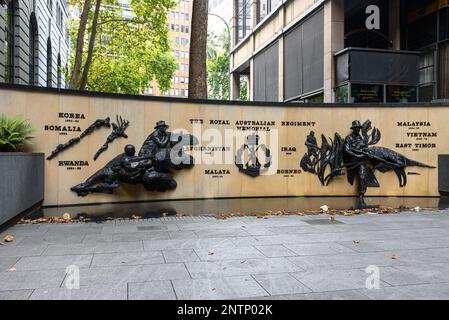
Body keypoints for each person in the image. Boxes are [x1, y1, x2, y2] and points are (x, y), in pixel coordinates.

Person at [343, 120, 370, 206]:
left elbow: (365, 148)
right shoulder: (348, 138)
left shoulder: (361, 138)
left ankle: (361, 196)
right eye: (356, 128)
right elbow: (346, 150)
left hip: (361, 161)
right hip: (352, 162)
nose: (358, 129)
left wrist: (364, 152)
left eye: (359, 128)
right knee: (350, 178)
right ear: (353, 129)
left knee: (362, 176)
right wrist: (355, 155)